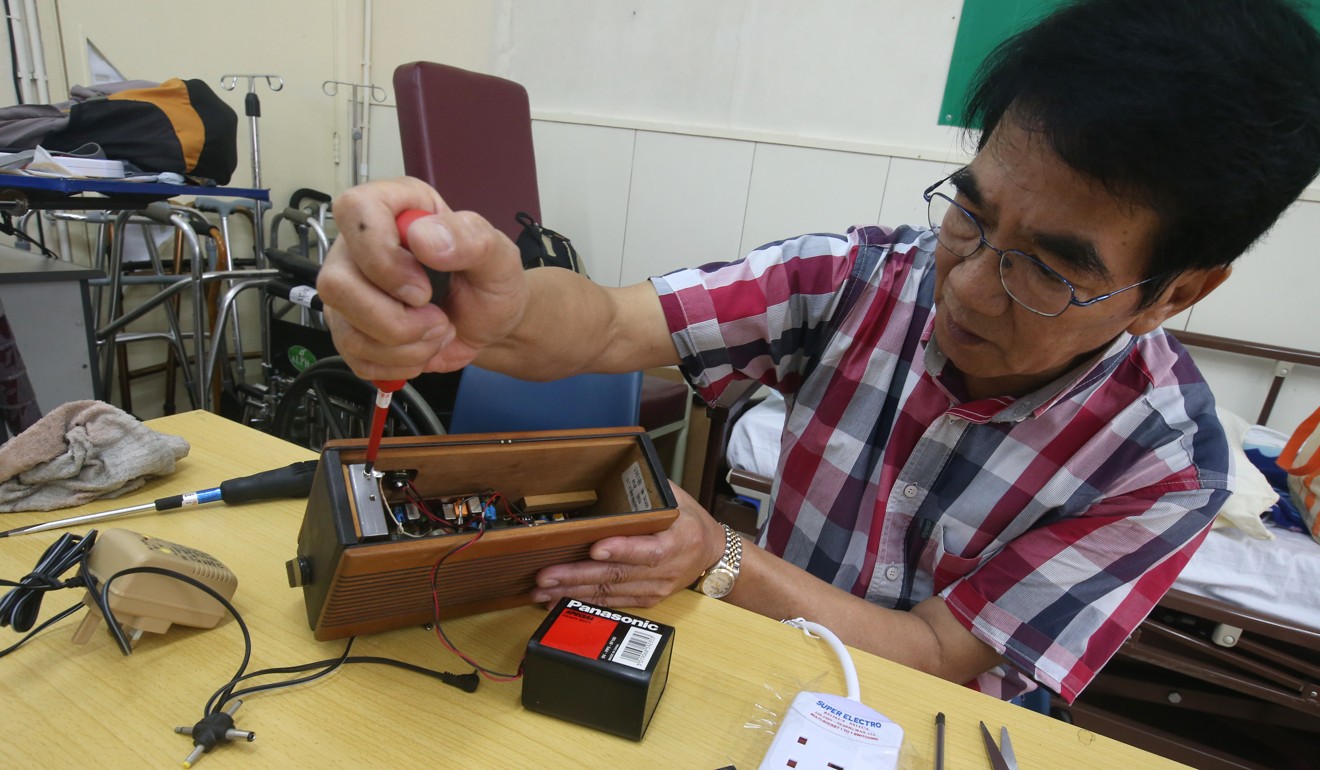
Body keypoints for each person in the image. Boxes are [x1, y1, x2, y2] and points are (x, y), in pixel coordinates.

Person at [316, 0, 1320, 703]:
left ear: (1179, 293)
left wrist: (720, 553)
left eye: (1049, 270)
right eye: (968, 216)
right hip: (751, 663)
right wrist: (485, 309)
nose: (963, 285)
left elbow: (935, 651)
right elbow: (609, 323)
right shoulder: (853, 277)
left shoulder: (1166, 464)